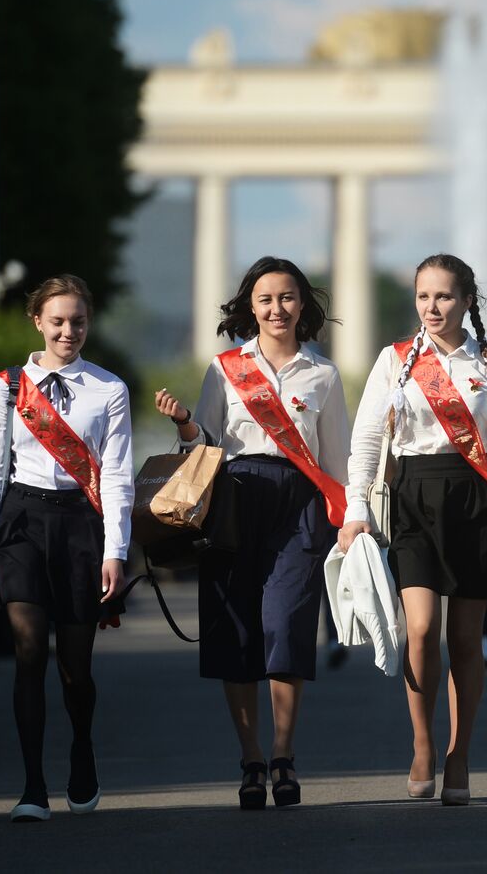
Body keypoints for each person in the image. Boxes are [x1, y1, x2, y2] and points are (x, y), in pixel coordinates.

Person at [338, 253, 487, 807]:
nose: (432, 307)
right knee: (422, 629)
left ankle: (460, 753)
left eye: (444, 296)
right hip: (413, 499)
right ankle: (423, 744)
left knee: (466, 639)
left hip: (477, 500)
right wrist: (356, 509)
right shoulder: (395, 360)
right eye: (423, 296)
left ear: (467, 301)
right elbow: (367, 441)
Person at [156, 257, 349, 810]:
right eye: (265, 299)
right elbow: (204, 446)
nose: (276, 309)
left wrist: (350, 522)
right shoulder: (224, 369)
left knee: (287, 624)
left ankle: (284, 754)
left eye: (287, 297)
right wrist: (185, 423)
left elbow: (337, 459)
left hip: (299, 506)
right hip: (234, 503)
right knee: (236, 631)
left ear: (303, 305)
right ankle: (251, 758)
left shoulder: (324, 375)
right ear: (251, 307)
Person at [0, 275, 134, 822]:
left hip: (81, 527)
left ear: (89, 323)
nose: (68, 331)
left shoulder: (108, 388)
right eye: (58, 321)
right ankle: (32, 786)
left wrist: (116, 550)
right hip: (21, 523)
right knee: (29, 652)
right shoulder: (8, 386)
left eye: (78, 321)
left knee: (75, 667)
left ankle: (82, 749)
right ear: (37, 321)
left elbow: (117, 476)